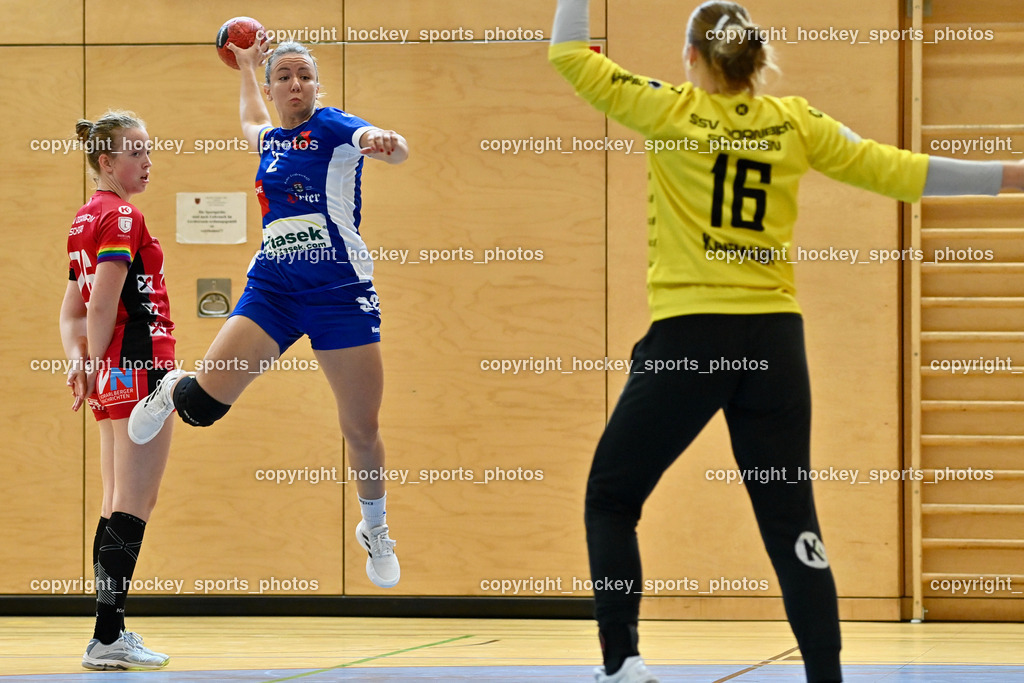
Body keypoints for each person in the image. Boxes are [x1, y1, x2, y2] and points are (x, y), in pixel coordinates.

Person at [548, 1, 1024, 681]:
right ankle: (826, 675)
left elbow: (569, 53)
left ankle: (623, 661)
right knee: (791, 518)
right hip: (773, 343)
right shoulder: (795, 123)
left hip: (691, 337)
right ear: (756, 60)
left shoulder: (667, 109)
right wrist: (1012, 175)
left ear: (691, 56)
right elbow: (896, 169)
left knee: (612, 499)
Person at [127, 38, 409, 588]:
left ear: (316, 86)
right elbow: (251, 120)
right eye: (283, 77)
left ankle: (374, 528)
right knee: (201, 410)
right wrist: (246, 66)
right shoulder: (270, 140)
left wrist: (386, 142)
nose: (295, 84)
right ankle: (169, 388)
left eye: (304, 75)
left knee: (362, 428)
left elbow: (392, 150)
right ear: (272, 88)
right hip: (274, 290)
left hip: (339, 293)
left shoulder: (335, 126)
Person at [61, 110, 175, 669]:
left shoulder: (84, 218)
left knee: (114, 500)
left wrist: (82, 362)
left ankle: (110, 632)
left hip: (113, 369)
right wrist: (99, 360)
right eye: (136, 152)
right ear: (107, 161)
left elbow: (72, 312)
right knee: (135, 501)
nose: (147, 161)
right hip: (138, 363)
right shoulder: (123, 215)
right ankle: (107, 637)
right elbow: (101, 304)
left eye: (148, 150)